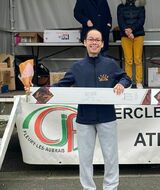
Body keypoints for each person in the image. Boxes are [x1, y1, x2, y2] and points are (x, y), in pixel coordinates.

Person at [25, 29, 132, 190]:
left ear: (102, 44)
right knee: (85, 158)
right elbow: (59, 86)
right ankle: (88, 188)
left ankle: (111, 187)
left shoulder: (110, 64)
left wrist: (121, 84)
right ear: (85, 42)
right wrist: (34, 91)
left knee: (110, 157)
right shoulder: (77, 67)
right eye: (91, 39)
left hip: (107, 118)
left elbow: (126, 78)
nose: (94, 42)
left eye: (98, 40)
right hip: (84, 119)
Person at [117, 0, 146, 89]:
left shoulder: (141, 6)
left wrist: (131, 30)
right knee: (128, 59)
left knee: (138, 59)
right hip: (125, 36)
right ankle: (128, 81)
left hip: (138, 35)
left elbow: (141, 20)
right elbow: (120, 21)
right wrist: (128, 32)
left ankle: (139, 82)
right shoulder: (120, 7)